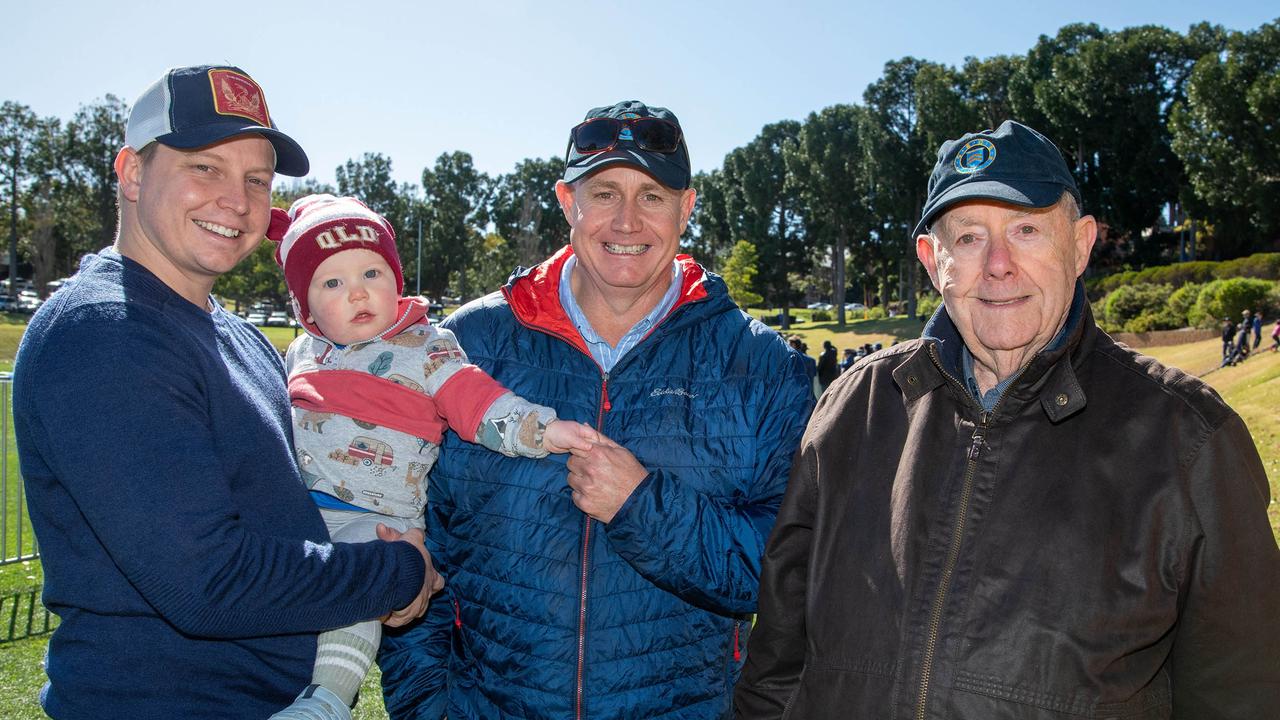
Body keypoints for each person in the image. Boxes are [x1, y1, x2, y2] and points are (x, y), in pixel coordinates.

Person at [736, 120, 1280, 718]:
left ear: (1080, 245)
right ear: (930, 258)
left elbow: (1243, 694)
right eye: (968, 237)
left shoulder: (1190, 441)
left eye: (1026, 230)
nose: (998, 264)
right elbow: (776, 667)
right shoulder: (851, 413)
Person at [12, 65, 440, 720]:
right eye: (205, 168)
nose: (237, 201)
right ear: (131, 173)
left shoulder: (239, 339)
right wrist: (399, 572)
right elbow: (208, 581)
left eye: (257, 180)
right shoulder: (106, 332)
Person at [377, 100, 815, 719]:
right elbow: (412, 535)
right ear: (566, 200)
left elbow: (788, 572)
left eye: (654, 195)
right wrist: (428, 707)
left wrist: (643, 507)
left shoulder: (763, 367)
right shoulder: (464, 348)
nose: (628, 220)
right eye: (605, 192)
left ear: (686, 207)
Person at [266, 195, 598, 719]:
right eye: (332, 283)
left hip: (374, 518)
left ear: (395, 280)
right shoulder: (301, 354)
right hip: (293, 512)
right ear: (303, 307)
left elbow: (479, 402)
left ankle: (327, 700)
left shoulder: (426, 347)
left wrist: (545, 429)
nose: (357, 291)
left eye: (372, 272)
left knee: (360, 581)